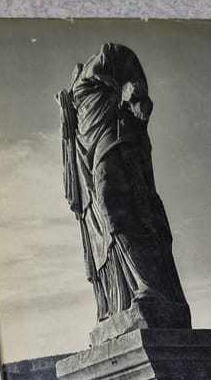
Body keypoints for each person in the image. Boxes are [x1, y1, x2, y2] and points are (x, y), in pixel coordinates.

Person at [57, 44, 188, 323]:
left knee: (114, 202)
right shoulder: (75, 78)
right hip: (90, 149)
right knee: (107, 218)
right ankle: (133, 290)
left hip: (113, 136)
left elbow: (132, 72)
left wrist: (133, 91)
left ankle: (150, 285)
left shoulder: (105, 55)